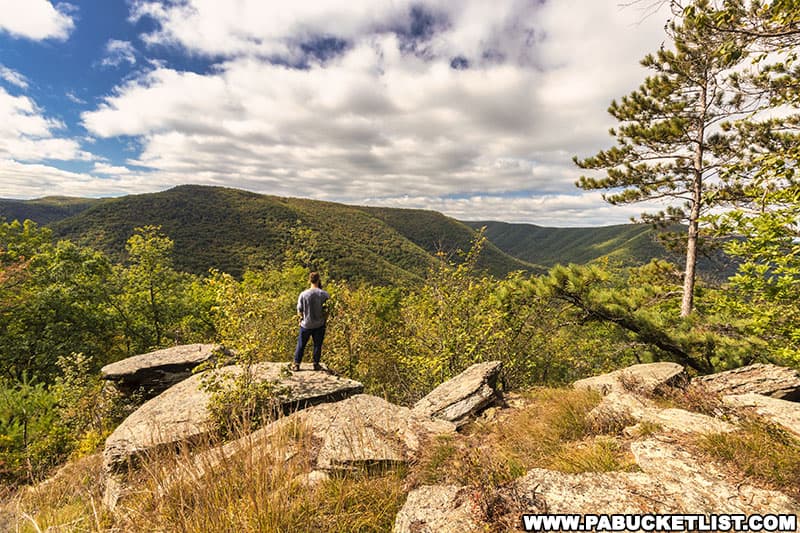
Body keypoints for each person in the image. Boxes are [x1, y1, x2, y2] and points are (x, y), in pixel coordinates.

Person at [292, 271, 330, 371]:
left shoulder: (303, 294)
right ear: (318, 280)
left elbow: (299, 310)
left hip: (306, 324)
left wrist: (300, 320)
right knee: (317, 345)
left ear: (309, 280)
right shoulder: (324, 294)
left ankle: (296, 364)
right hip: (319, 324)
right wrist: (325, 321)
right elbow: (327, 310)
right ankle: (316, 364)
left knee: (301, 344)